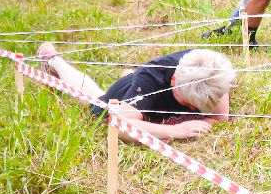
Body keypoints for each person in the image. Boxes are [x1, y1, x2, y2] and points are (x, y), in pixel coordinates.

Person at [34, 43, 236, 144]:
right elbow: (119, 126)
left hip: (142, 90)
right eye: (189, 103)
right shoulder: (152, 79)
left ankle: (128, 76)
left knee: (132, 86)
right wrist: (175, 131)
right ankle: (53, 61)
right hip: (135, 93)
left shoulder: (213, 70)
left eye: (198, 107)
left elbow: (220, 118)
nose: (193, 109)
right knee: (95, 99)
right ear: (173, 81)